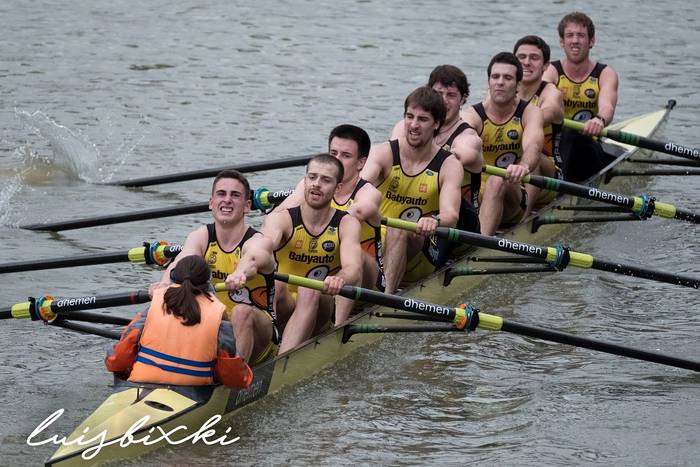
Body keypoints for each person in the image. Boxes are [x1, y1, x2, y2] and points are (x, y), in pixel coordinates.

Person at [153, 170, 278, 367]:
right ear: (211, 202)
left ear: (247, 206)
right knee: (176, 298)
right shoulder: (200, 236)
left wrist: (240, 273)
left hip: (259, 334)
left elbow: (253, 258)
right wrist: (163, 284)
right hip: (215, 327)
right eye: (221, 194)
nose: (227, 200)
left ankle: (236, 376)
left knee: (240, 312)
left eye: (235, 195)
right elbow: (182, 260)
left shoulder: (258, 240)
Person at [362, 86, 464, 293]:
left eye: (422, 119)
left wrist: (434, 220)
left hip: (420, 250)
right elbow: (360, 187)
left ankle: (386, 299)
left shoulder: (449, 164)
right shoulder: (383, 153)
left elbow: (451, 215)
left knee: (400, 228)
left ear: (436, 123)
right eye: (410, 117)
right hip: (378, 240)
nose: (414, 125)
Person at [262, 154, 362, 354]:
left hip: (320, 303)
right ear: (305, 181)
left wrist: (338, 279)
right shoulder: (281, 219)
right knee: (276, 283)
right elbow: (262, 247)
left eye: (326, 180)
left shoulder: (346, 223)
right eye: (312, 177)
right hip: (283, 304)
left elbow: (353, 268)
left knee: (309, 289)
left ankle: (282, 362)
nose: (316, 184)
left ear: (338, 188)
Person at [106, 255, 253, 389]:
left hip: (141, 382)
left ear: (174, 277)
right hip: (195, 391)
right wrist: (247, 378)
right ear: (207, 282)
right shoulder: (218, 313)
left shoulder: (155, 304)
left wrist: (122, 373)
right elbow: (235, 379)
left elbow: (117, 358)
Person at [275, 124, 384, 291]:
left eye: (346, 156)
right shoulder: (307, 186)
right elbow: (279, 214)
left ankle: (339, 318)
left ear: (361, 163)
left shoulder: (369, 192)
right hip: (322, 274)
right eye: (333, 153)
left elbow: (359, 210)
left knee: (348, 255)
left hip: (364, 280)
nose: (337, 160)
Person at [391, 65, 482, 232]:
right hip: (415, 211)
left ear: (463, 99)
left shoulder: (468, 137)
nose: (443, 101)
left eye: (451, 95)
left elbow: (461, 154)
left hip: (458, 221)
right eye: (439, 94)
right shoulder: (403, 128)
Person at [462, 52, 544, 236]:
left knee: (497, 179)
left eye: (507, 78)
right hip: (476, 195)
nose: (500, 82)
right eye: (495, 77)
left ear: (518, 85)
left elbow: (533, 146)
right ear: (488, 82)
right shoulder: (472, 116)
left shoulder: (530, 113)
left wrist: (523, 166)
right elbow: (463, 139)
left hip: (513, 195)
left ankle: (480, 244)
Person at [543, 11, 620, 181]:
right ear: (562, 42)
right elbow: (543, 91)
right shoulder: (551, 71)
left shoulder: (605, 74)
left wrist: (599, 120)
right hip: (553, 147)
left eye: (581, 35)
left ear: (591, 41)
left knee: (572, 132)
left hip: (588, 148)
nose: (575, 40)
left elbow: (607, 106)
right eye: (569, 35)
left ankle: (562, 188)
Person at [513, 35, 565, 211]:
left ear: (545, 66)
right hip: (511, 164)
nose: (526, 62)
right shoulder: (501, 90)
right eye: (521, 57)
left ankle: (525, 217)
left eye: (534, 58)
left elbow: (544, 113)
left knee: (531, 158)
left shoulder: (551, 94)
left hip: (549, 173)